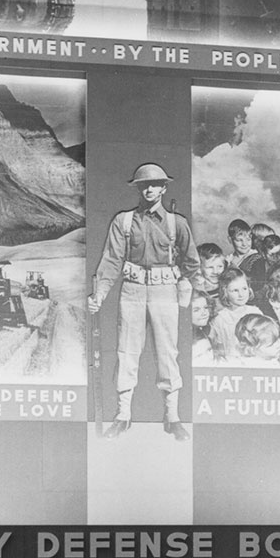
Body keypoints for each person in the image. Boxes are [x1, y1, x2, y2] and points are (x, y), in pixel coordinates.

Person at [88, 163, 201, 440]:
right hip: (133, 289)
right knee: (127, 351)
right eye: (143, 185)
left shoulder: (178, 223)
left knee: (167, 352)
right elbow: (111, 260)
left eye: (155, 184)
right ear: (138, 189)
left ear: (164, 188)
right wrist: (100, 294)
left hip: (165, 292)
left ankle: (172, 417)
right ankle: (123, 416)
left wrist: (185, 286)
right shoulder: (123, 221)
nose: (149, 189)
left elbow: (192, 263)